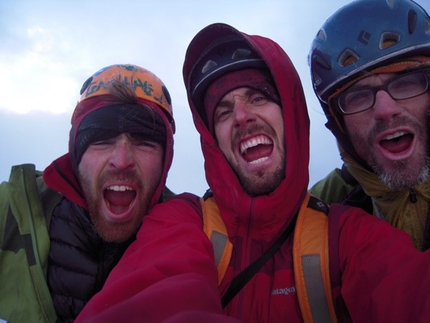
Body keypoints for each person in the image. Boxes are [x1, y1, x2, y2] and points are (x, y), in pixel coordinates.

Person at [76, 23, 430, 323]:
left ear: (291, 115)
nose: (242, 116)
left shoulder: (349, 235)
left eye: (258, 98)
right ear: (213, 140)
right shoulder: (181, 222)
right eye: (224, 111)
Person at [0, 64, 175, 323]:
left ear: (165, 160)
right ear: (76, 155)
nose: (121, 159)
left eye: (144, 142)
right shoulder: (11, 213)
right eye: (101, 139)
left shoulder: (197, 234)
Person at [308, 0, 430, 251]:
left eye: (406, 83)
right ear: (339, 124)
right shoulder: (323, 208)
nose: (386, 110)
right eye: (358, 97)